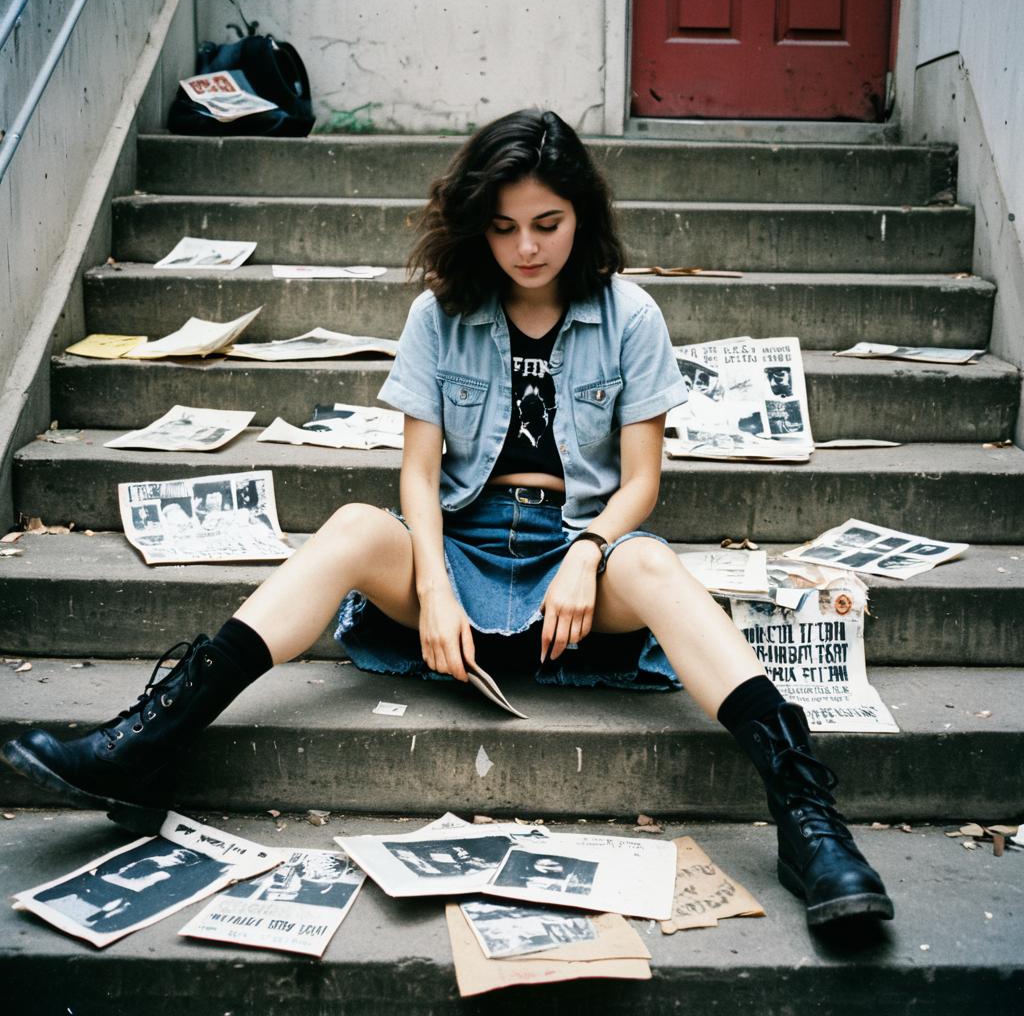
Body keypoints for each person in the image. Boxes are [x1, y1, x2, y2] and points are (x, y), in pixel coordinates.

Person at [1, 109, 892, 930]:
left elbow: (641, 482)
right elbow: (418, 476)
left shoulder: (631, 316)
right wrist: (431, 583)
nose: (526, 247)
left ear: (581, 214)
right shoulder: (442, 313)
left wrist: (588, 551)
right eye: (504, 227)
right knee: (354, 524)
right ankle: (147, 744)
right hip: (460, 547)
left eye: (546, 223)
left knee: (653, 563)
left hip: (573, 567)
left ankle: (808, 820)